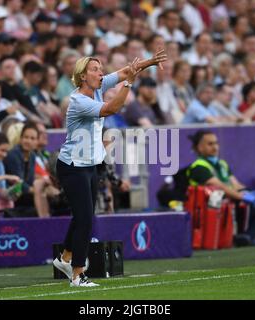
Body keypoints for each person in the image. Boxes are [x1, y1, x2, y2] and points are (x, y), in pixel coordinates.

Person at [53, 50, 167, 287]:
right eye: (95, 69)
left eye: (100, 68)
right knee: (85, 219)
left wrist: (149, 63)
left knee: (83, 215)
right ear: (83, 76)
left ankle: (64, 259)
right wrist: (129, 83)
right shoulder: (79, 101)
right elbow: (112, 108)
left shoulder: (96, 87)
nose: (100, 72)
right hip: (72, 166)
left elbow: (127, 70)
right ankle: (77, 275)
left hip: (90, 164)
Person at [186, 130, 255, 246]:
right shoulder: (198, 167)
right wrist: (242, 196)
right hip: (212, 208)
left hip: (230, 203)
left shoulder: (222, 164)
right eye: (210, 144)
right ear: (200, 148)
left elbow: (235, 184)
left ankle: (246, 237)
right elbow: (219, 187)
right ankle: (246, 237)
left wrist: (249, 192)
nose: (215, 147)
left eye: (216, 143)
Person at [3, 121, 54, 218]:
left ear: (36, 142)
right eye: (25, 137)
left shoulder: (32, 156)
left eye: (32, 138)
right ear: (21, 139)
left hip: (25, 193)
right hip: (13, 194)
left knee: (53, 198)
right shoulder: (13, 155)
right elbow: (18, 183)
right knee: (47, 198)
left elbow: (30, 181)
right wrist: (38, 191)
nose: (28, 141)